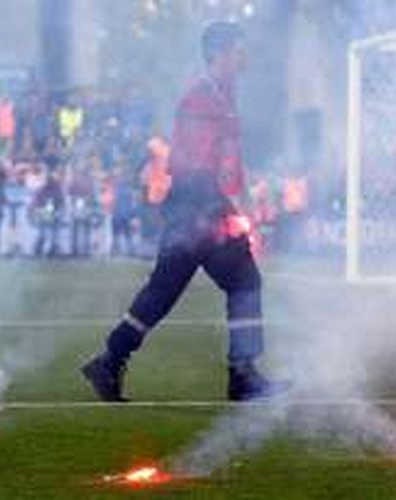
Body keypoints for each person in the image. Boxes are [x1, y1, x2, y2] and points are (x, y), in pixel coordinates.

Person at [82, 21, 288, 402]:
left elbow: (226, 162)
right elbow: (196, 166)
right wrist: (223, 211)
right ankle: (242, 375)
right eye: (239, 49)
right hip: (197, 210)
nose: (245, 56)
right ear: (220, 53)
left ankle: (109, 360)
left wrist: (238, 199)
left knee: (164, 291)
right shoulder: (202, 100)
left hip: (197, 211)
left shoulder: (223, 94)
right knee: (244, 282)